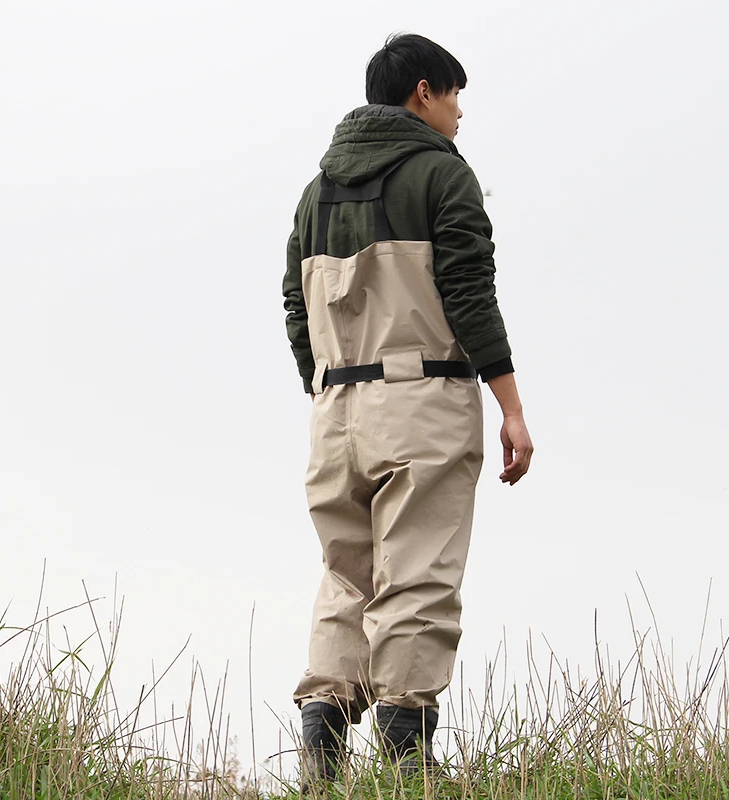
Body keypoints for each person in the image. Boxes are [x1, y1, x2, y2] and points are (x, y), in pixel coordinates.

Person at [283, 33, 533, 782]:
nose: (459, 113)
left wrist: (325, 380)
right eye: (455, 95)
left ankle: (321, 764)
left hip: (336, 408)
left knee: (346, 579)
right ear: (423, 93)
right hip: (421, 396)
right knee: (417, 574)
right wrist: (510, 405)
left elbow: (295, 302)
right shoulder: (440, 175)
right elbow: (468, 293)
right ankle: (405, 763)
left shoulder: (315, 190)